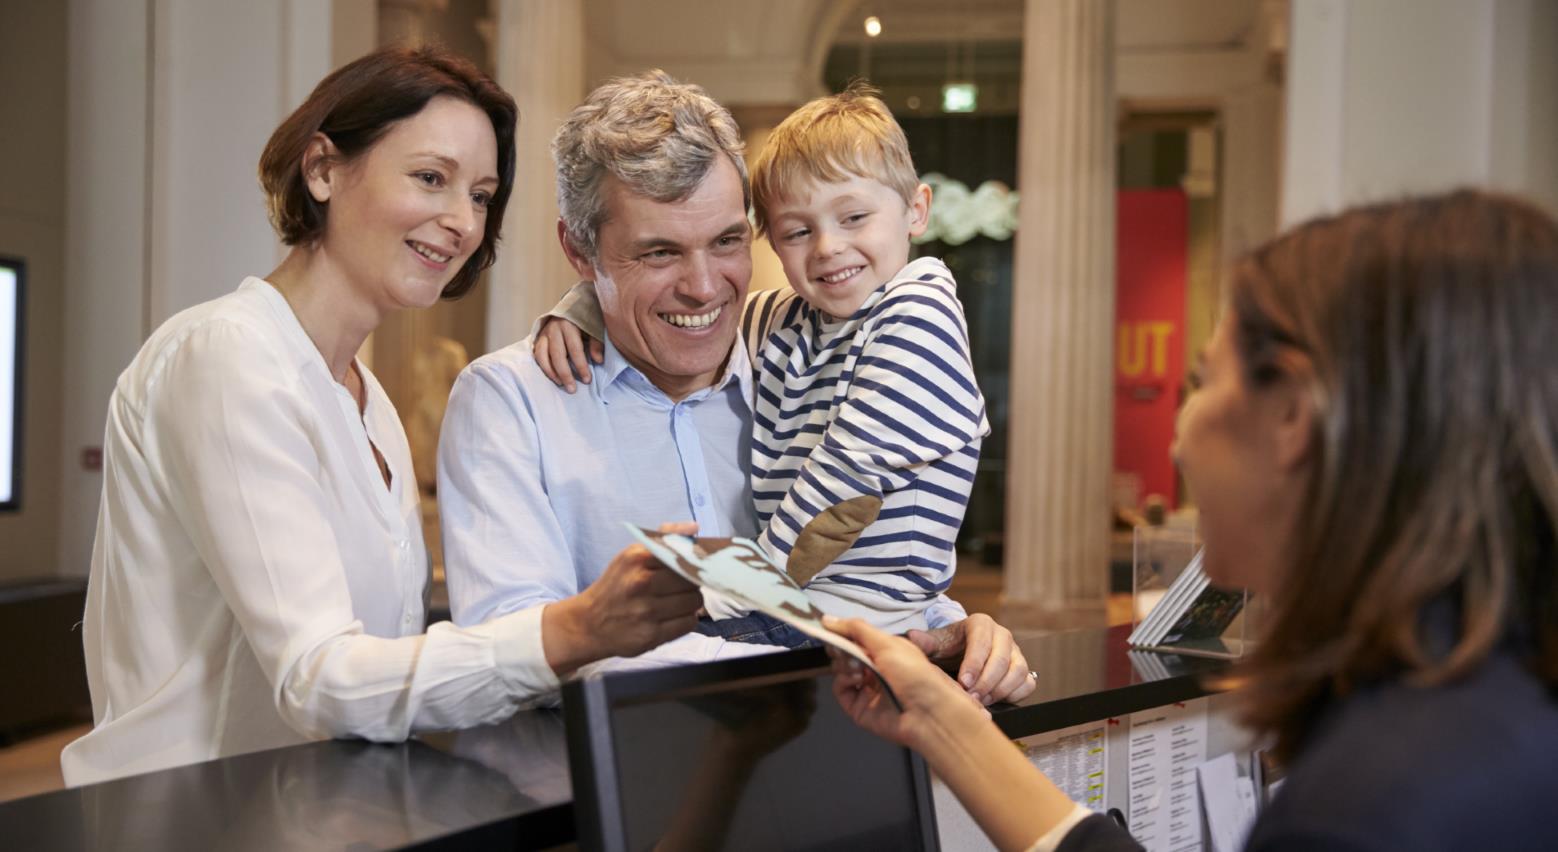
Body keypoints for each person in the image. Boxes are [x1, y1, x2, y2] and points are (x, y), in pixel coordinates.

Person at [824, 189, 1558, 851]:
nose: (1178, 439)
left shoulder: (1367, 810)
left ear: (1294, 414)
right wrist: (943, 723)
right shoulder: (1495, 705)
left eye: (1203, 383)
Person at [61, 46, 702, 787]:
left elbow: (375, 679)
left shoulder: (367, 401)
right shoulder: (227, 355)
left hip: (311, 812)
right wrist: (576, 628)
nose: (461, 221)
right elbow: (319, 678)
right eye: (431, 178)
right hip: (186, 818)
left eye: (482, 195)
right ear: (323, 169)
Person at [438, 70, 1035, 705]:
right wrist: (820, 662)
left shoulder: (783, 353)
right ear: (581, 253)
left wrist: (953, 630)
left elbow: (862, 560)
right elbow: (515, 646)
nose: (704, 288)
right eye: (659, 253)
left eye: (726, 241)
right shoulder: (510, 403)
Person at [533, 83, 993, 654]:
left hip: (862, 616)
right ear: (772, 241)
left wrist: (724, 594)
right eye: (798, 231)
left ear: (916, 210)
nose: (827, 247)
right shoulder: (793, 318)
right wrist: (581, 309)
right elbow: (688, 313)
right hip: (804, 600)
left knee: (656, 657)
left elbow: (841, 491)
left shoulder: (920, 318)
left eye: (853, 217)